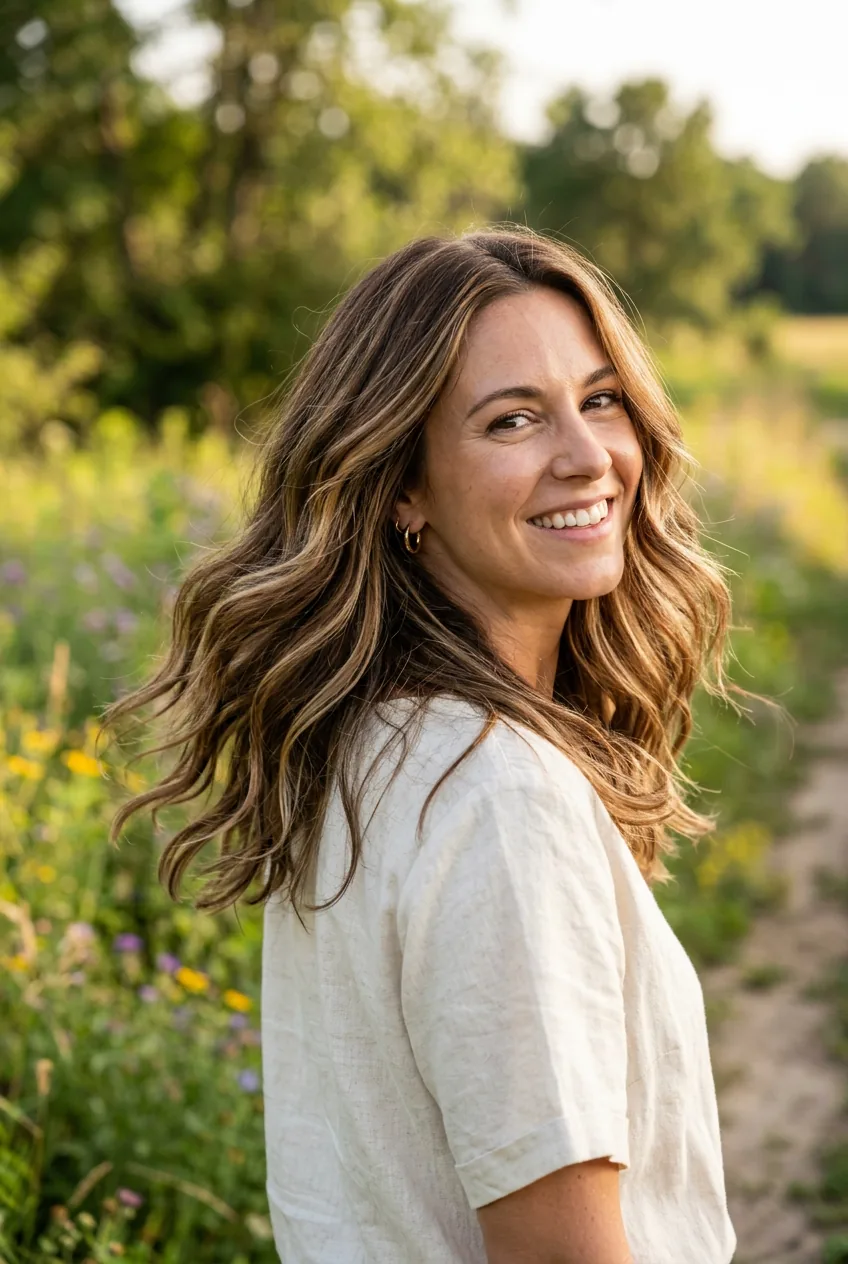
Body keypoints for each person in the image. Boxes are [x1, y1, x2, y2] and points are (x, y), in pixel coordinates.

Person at [106, 226, 740, 1263]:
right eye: (512, 419)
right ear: (402, 486)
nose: (587, 456)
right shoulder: (497, 796)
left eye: (599, 398)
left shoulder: (368, 744)